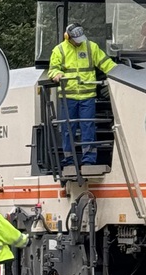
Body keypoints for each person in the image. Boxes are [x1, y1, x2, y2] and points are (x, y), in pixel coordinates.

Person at [48, 21, 115, 169]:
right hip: (68, 97)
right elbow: (52, 69)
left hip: (87, 96)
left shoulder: (91, 47)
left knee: (88, 127)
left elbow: (106, 64)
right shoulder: (59, 50)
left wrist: (119, 74)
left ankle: (89, 159)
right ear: (68, 37)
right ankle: (69, 159)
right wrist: (57, 74)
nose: (79, 43)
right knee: (67, 129)